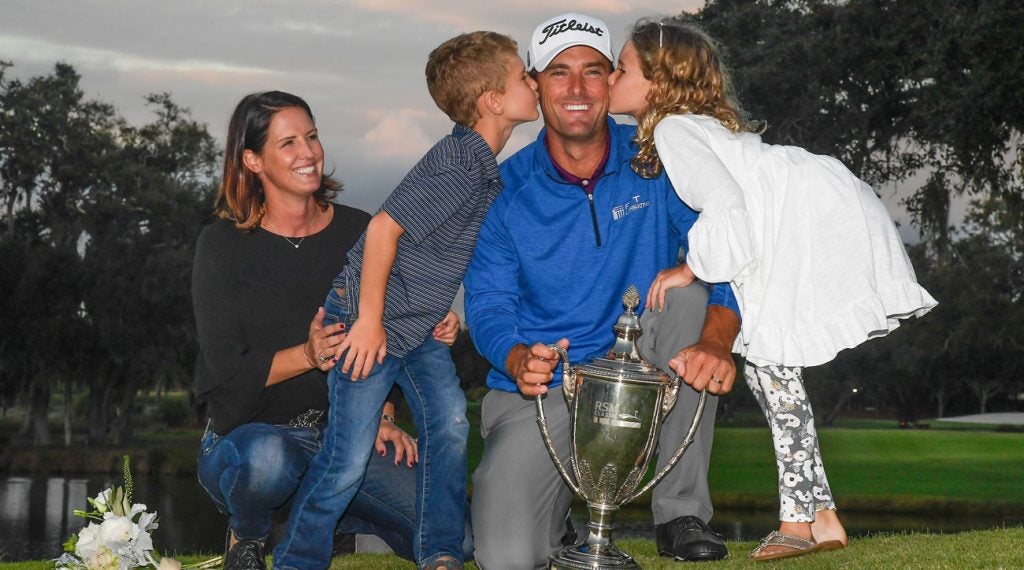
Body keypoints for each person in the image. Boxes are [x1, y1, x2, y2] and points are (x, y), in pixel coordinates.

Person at [607, 19, 938, 561]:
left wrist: (691, 267)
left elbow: (727, 206)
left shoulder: (672, 131)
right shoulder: (690, 127)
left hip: (790, 224)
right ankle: (823, 516)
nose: (613, 78)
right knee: (771, 376)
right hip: (792, 216)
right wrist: (698, 265)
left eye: (623, 69)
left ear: (659, 83)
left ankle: (796, 524)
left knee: (773, 372)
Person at [464, 13, 743, 568]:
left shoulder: (659, 158)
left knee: (690, 295)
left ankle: (679, 513)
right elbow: (489, 306)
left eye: (593, 72)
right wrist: (518, 358)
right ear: (535, 85)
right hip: (546, 385)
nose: (576, 89)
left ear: (612, 81)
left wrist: (718, 338)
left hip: (640, 366)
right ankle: (561, 523)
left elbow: (730, 251)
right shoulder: (502, 190)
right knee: (505, 559)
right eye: (559, 73)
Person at [271, 31, 540, 570]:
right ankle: (296, 560)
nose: (533, 83)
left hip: (413, 325)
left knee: (449, 425)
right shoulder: (461, 159)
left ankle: (440, 551)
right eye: (522, 77)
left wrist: (443, 307)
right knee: (347, 458)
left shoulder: (481, 164)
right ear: (492, 100)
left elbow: (433, 246)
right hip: (366, 322)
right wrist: (368, 322)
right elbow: (383, 230)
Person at [192, 90, 459, 570]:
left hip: (345, 440)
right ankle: (249, 535)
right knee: (268, 462)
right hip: (249, 441)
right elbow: (224, 378)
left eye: (311, 137)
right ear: (252, 160)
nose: (309, 152)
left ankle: (338, 519)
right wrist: (308, 355)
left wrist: (427, 330)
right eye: (288, 143)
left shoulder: (361, 231)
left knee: (454, 534)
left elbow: (387, 336)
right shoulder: (221, 246)